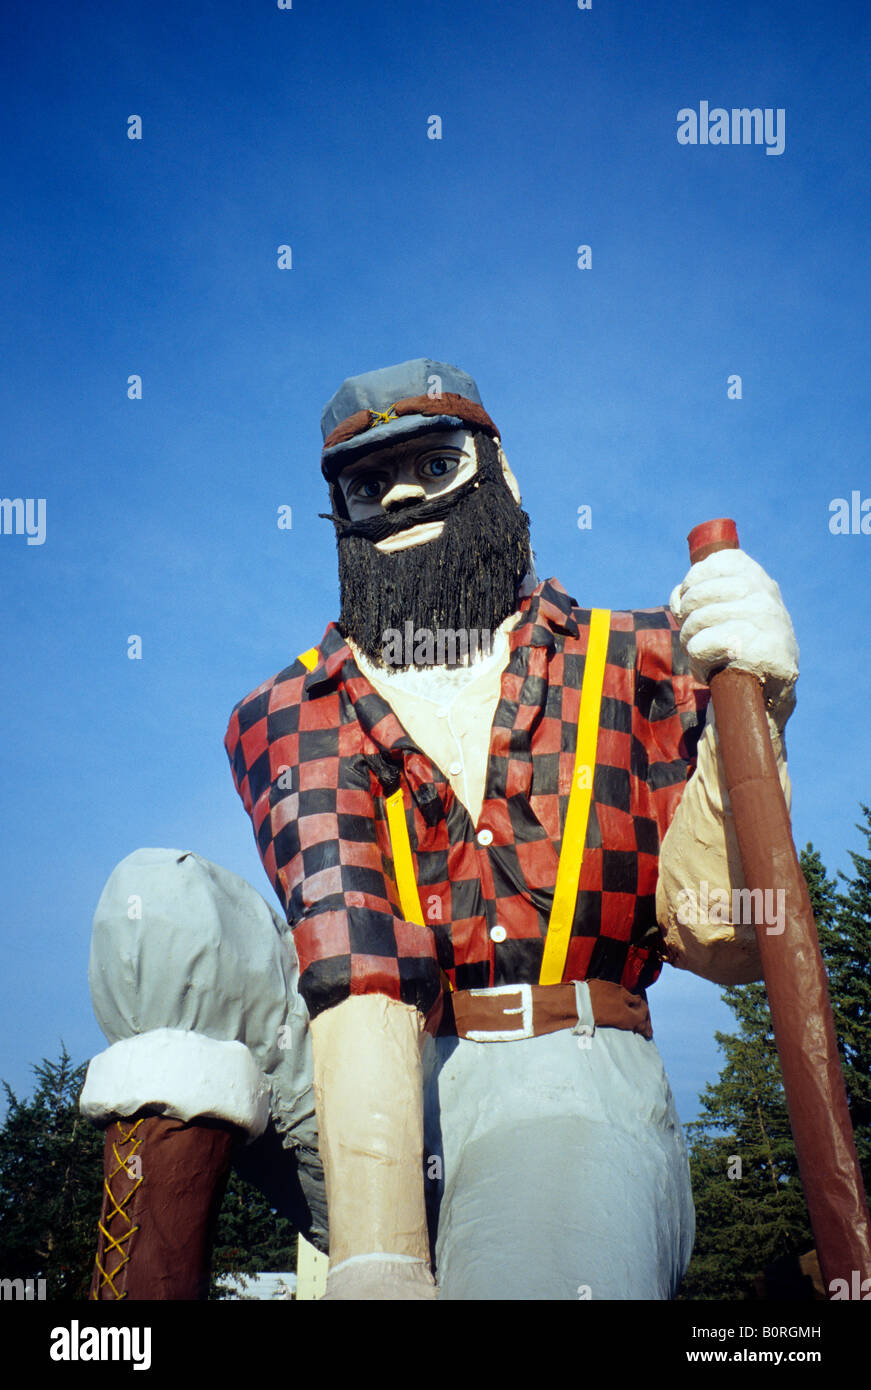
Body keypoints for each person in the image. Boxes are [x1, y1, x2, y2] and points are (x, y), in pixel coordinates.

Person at [81, 358, 798, 1300]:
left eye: (433, 464)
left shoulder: (643, 658)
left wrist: (753, 725)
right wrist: (379, 1264)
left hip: (566, 1078)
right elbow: (357, 963)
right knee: (161, 906)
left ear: (501, 479)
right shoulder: (290, 710)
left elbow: (726, 941)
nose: (401, 497)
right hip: (371, 1095)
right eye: (368, 484)